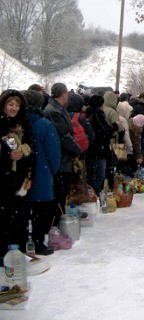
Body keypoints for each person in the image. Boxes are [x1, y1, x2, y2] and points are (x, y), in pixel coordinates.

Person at [24, 90, 61, 255]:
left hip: (21, 176)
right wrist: (53, 169)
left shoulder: (20, 123)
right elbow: (53, 152)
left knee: (23, 213)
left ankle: (23, 242)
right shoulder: (44, 124)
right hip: (42, 172)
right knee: (42, 211)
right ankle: (38, 243)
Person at [0, 89, 34, 262]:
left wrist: (29, 177)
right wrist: (6, 157)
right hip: (3, 181)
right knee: (4, 219)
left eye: (17, 105)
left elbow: (32, 153)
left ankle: (16, 252)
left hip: (20, 180)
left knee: (19, 218)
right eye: (10, 104)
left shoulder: (23, 126)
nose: (13, 108)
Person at [44, 83, 82, 225]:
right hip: (60, 158)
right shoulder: (54, 111)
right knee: (58, 193)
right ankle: (57, 222)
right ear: (63, 94)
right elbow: (64, 135)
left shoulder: (59, 109)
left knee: (62, 191)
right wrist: (76, 149)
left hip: (64, 157)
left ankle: (59, 219)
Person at [86, 95, 118, 197]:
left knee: (93, 175)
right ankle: (97, 196)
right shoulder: (97, 115)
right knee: (99, 175)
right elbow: (104, 131)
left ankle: (94, 194)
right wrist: (114, 127)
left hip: (92, 150)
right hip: (99, 150)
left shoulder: (89, 114)